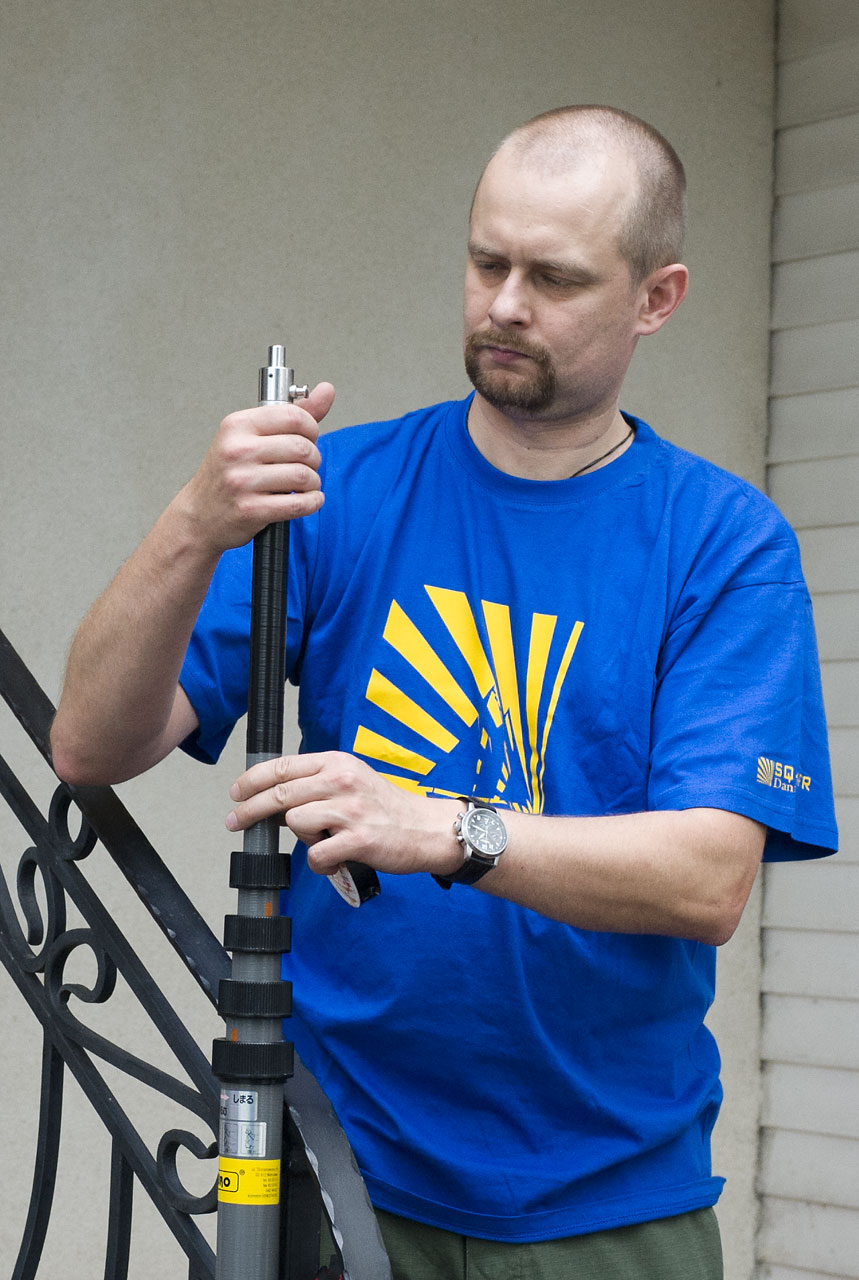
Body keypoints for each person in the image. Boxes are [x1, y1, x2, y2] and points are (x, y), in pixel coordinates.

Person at [51, 105, 837, 1280]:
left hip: (605, 1201)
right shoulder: (344, 489)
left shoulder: (722, 542)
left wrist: (444, 827)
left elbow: (706, 876)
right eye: (485, 262)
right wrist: (191, 524)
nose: (505, 303)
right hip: (334, 1169)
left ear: (655, 297)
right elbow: (90, 745)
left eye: (554, 277)